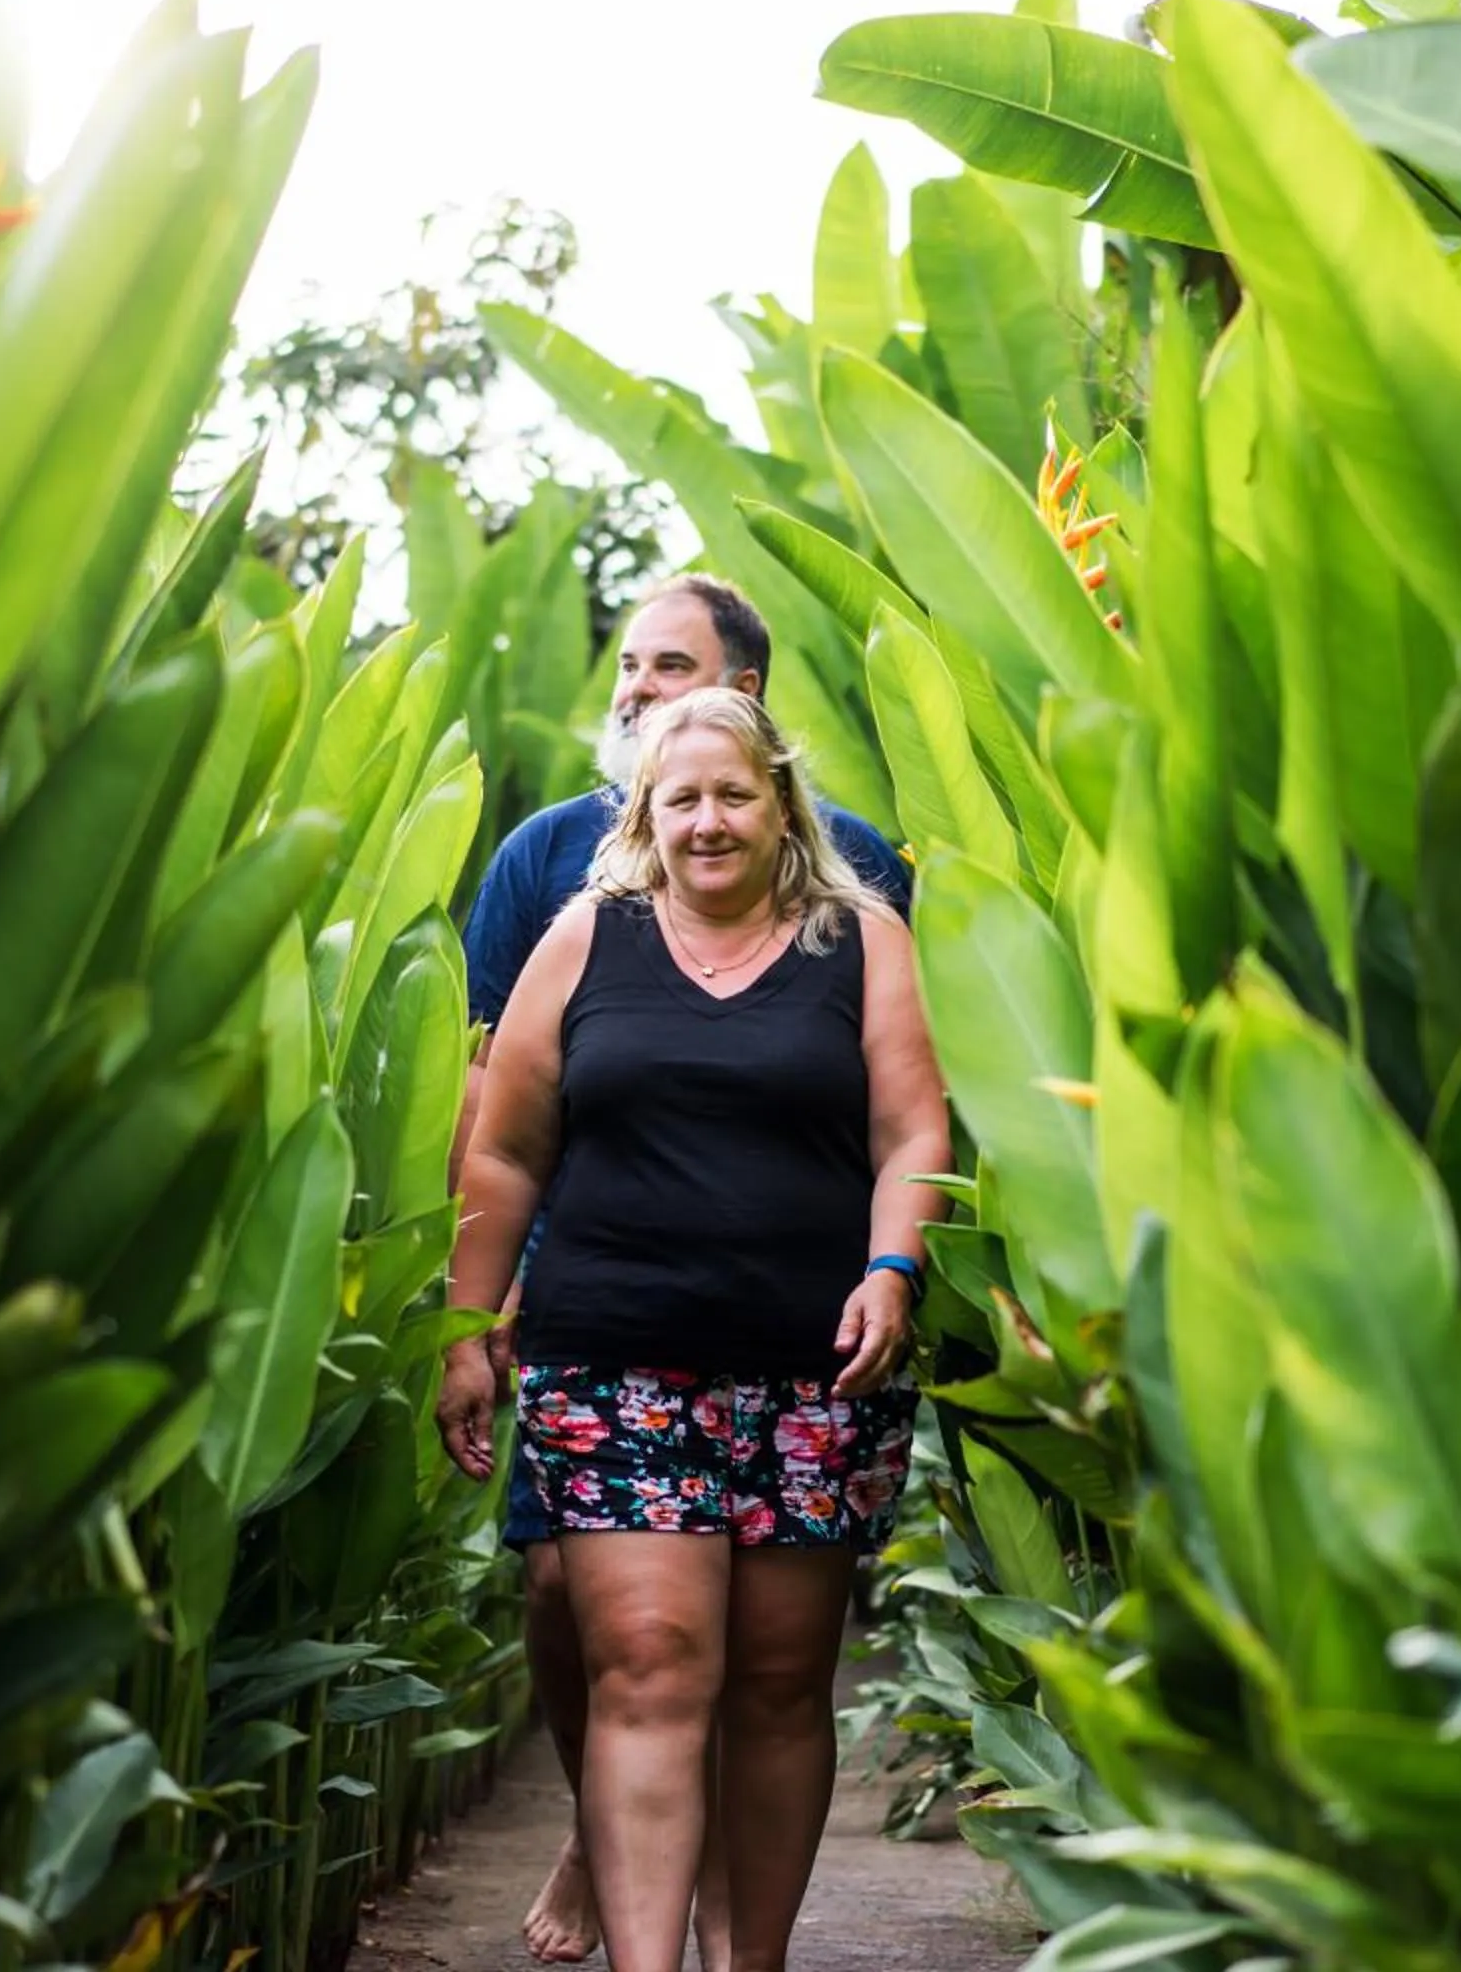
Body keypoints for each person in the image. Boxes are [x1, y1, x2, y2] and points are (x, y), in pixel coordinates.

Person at [439, 687, 953, 1972]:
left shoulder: (863, 938)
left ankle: (752, 1960)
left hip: (817, 1369)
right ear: (646, 816)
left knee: (780, 1681)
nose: (709, 820)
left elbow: (912, 1130)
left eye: (735, 793)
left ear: (783, 802)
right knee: (653, 1664)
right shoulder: (582, 937)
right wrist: (462, 1326)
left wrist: (893, 1266)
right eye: (682, 799)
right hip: (614, 1360)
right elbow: (503, 1148)